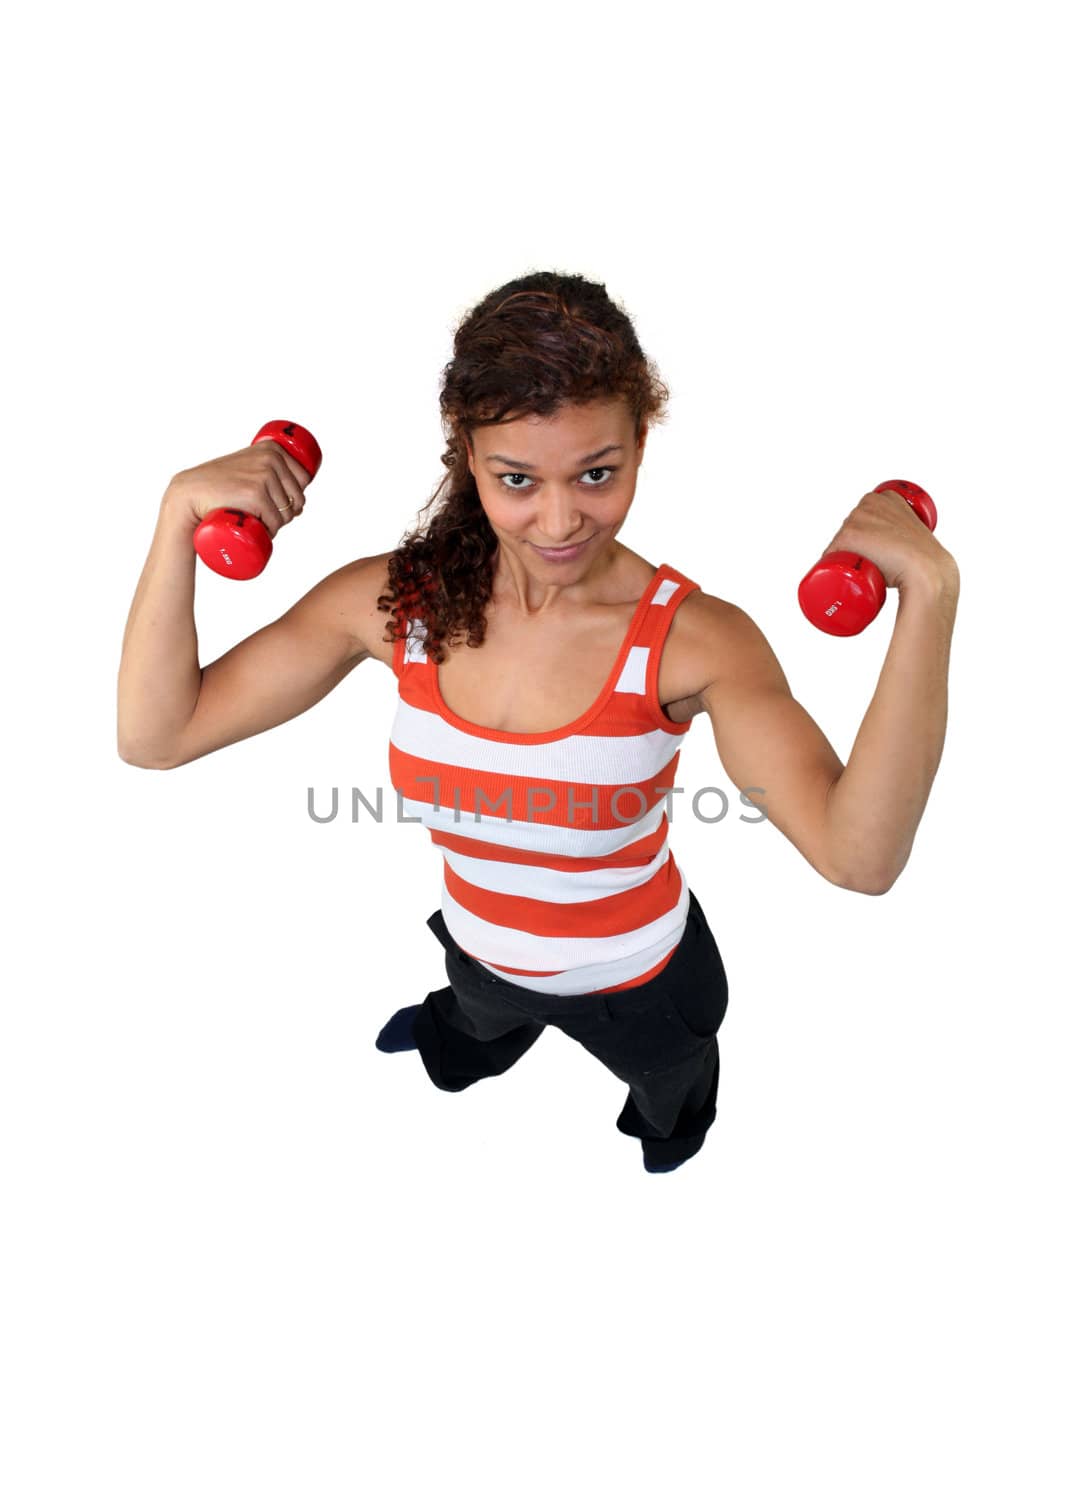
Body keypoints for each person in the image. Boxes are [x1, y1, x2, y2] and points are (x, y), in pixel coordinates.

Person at [117, 270, 960, 1173]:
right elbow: (158, 736)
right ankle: (467, 1050)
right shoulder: (398, 604)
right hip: (480, 953)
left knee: (670, 1093)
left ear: (641, 442)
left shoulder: (692, 641)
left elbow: (857, 857)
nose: (559, 521)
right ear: (466, 453)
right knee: (466, 1030)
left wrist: (931, 600)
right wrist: (176, 520)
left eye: (597, 474)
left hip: (641, 984)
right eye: (516, 479)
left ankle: (671, 1130)